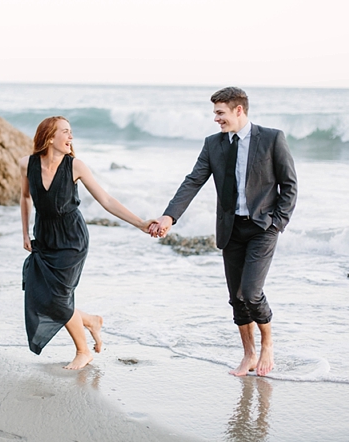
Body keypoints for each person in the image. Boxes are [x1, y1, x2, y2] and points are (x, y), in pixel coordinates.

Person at [149, 87, 297, 377]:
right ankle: (248, 354)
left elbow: (289, 185)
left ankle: (267, 345)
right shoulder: (213, 144)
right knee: (237, 297)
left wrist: (278, 222)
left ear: (238, 110)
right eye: (215, 113)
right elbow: (193, 181)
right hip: (231, 229)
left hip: (263, 227)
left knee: (252, 292)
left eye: (220, 113)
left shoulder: (271, 138)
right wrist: (169, 216)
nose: (216, 119)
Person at [20, 116, 153, 370]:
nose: (71, 138)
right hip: (45, 237)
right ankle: (90, 320)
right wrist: (25, 232)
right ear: (50, 137)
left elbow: (107, 200)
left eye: (71, 133)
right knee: (42, 296)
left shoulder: (75, 166)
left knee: (58, 298)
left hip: (71, 239)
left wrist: (141, 223)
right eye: (66, 132)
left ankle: (84, 351)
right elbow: (25, 198)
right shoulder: (26, 165)